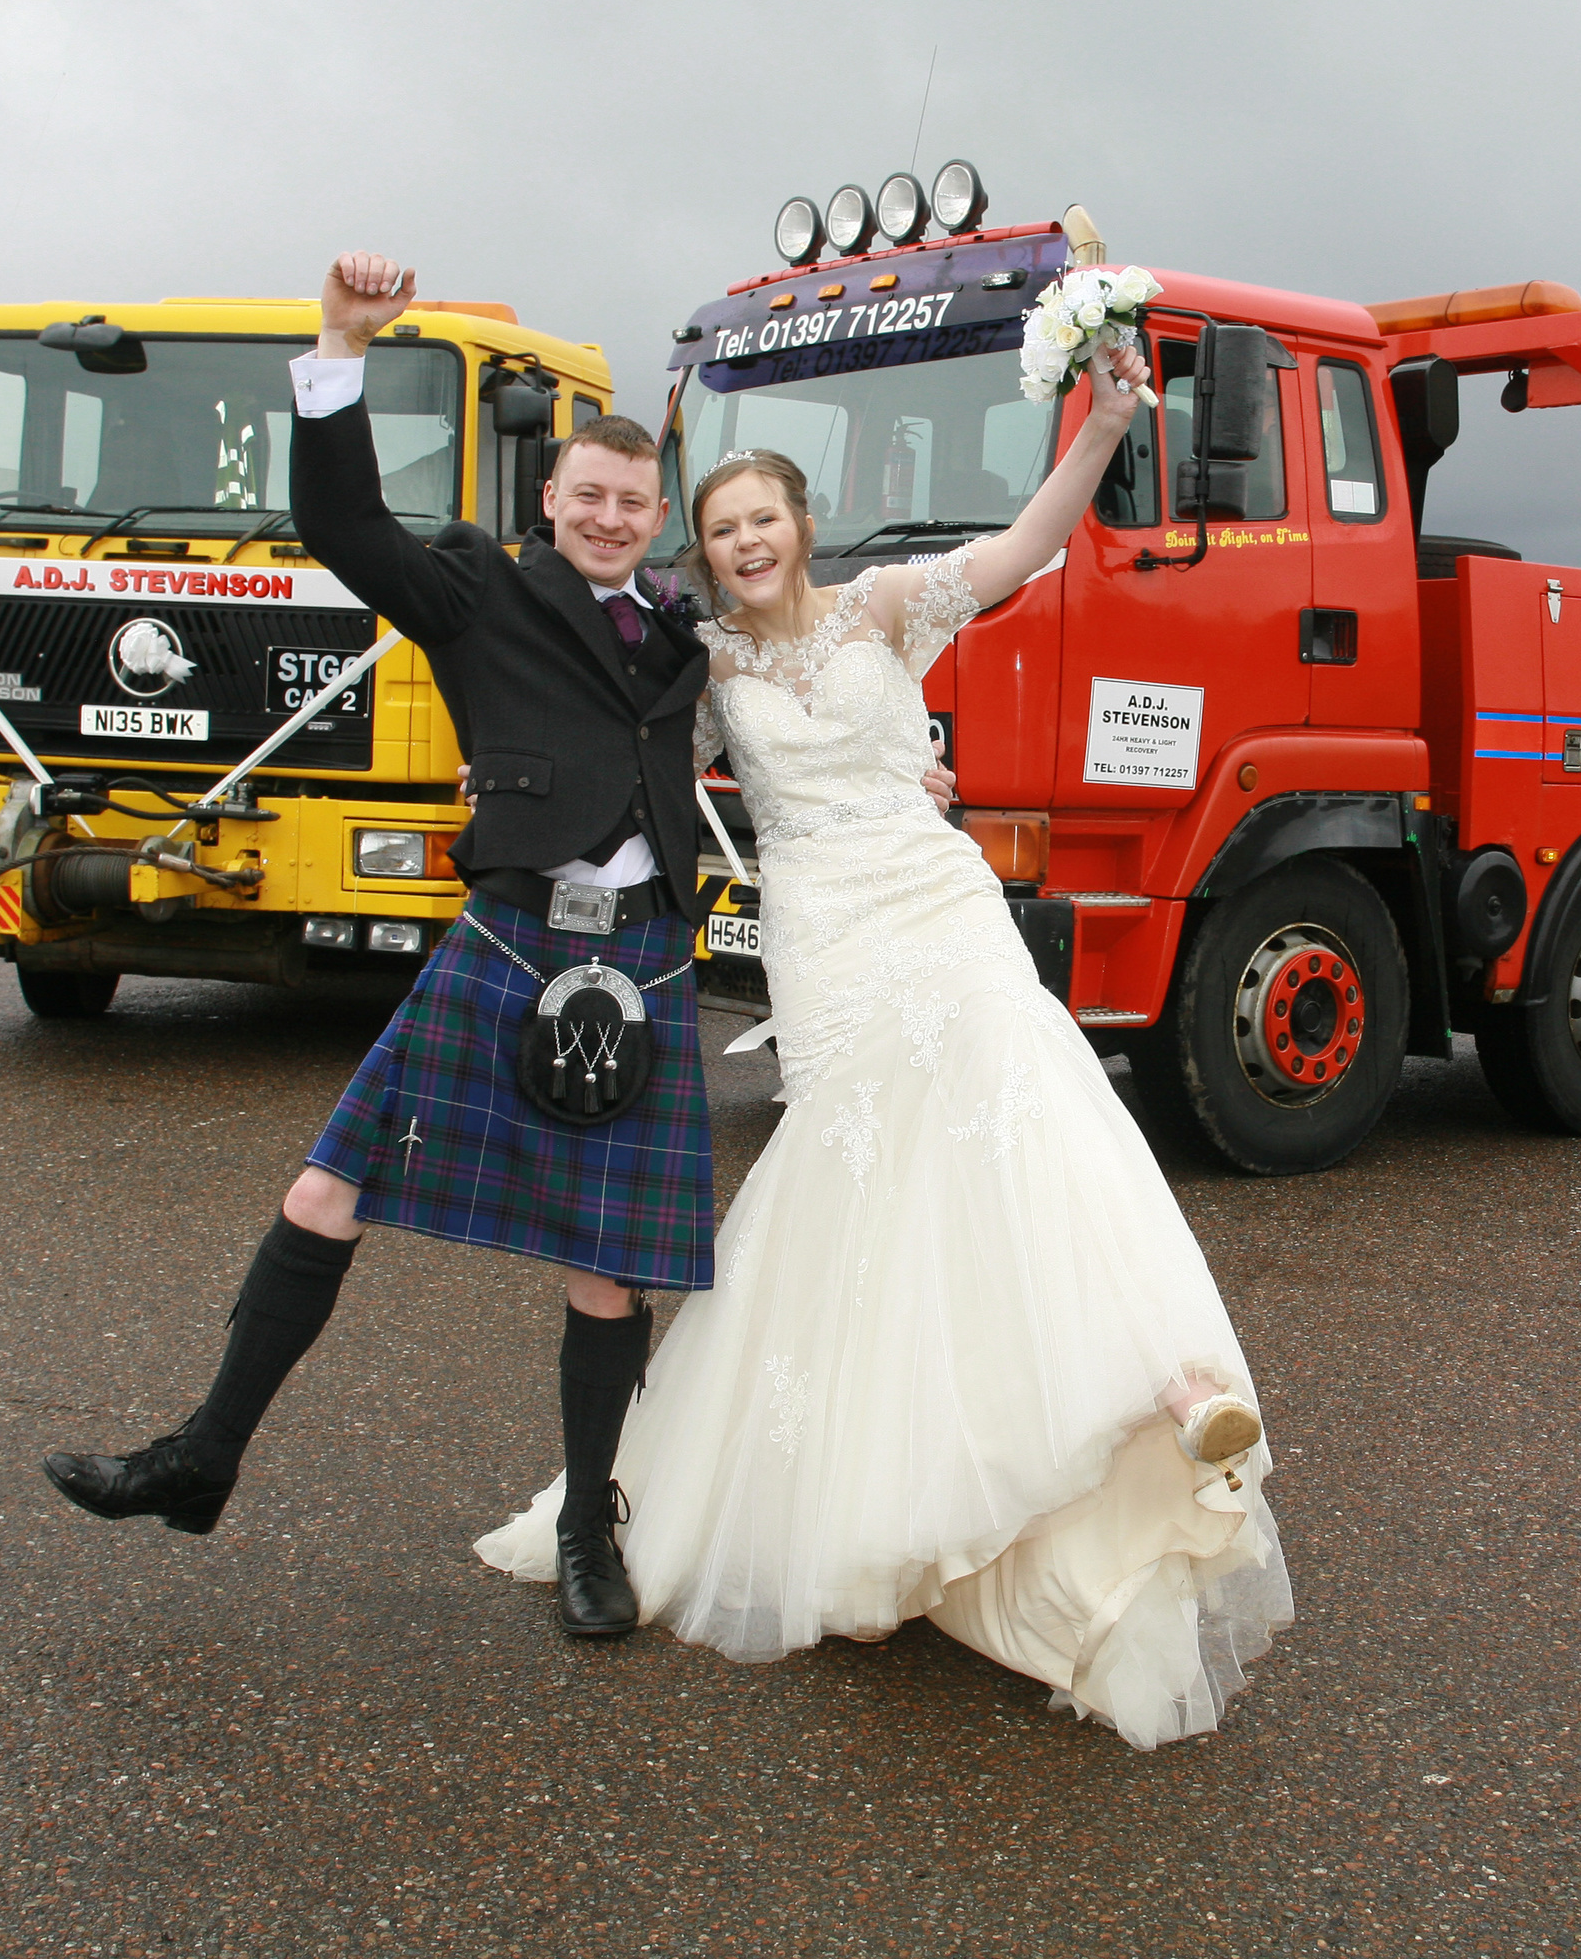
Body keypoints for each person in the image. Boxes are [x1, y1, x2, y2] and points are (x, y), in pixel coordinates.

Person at [476, 340, 1294, 1748]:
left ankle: (1167, 1381)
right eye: (720, 528)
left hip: (934, 895)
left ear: (801, 523)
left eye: (763, 520)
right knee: (870, 1183)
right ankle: (889, 1490)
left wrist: (1100, 424)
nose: (743, 543)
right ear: (707, 549)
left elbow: (1035, 546)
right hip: (826, 931)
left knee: (1031, 1105)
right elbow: (624, 743)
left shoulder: (887, 609)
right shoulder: (702, 656)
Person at [42, 252, 719, 1639]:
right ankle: (201, 1458)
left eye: (631, 503)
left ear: (660, 520)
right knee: (321, 1199)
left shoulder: (688, 629)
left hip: (640, 957)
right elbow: (344, 523)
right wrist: (338, 350)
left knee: (609, 1265)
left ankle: (591, 1527)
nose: (607, 517)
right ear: (551, 501)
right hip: (510, 937)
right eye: (586, 495)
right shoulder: (481, 589)